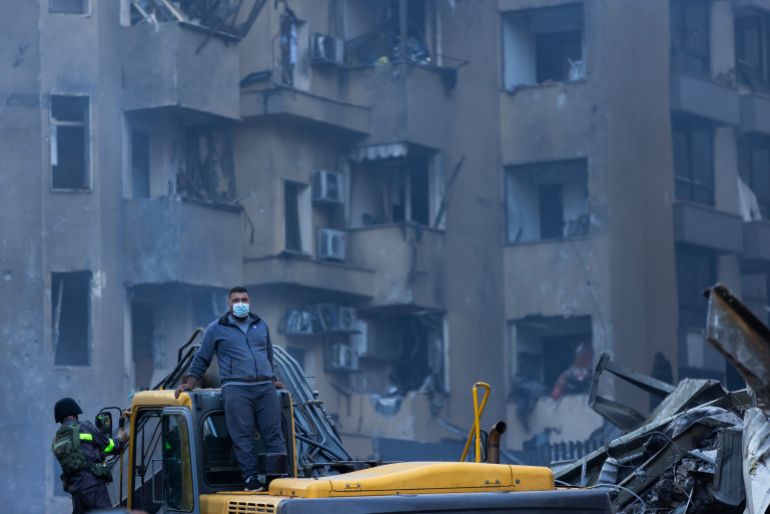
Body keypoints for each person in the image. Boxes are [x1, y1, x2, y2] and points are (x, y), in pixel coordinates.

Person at [175, 286, 288, 491]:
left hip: (264, 387)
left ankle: (278, 479)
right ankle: (251, 480)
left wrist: (272, 378)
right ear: (229, 304)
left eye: (244, 299)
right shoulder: (216, 328)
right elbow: (202, 357)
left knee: (274, 434)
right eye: (236, 300)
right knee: (242, 435)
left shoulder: (260, 325)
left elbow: (267, 354)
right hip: (236, 388)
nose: (241, 303)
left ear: (249, 302)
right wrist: (190, 382)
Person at [52, 398, 127, 514]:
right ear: (75, 413)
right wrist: (120, 439)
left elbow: (79, 457)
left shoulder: (57, 439)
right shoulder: (84, 427)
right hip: (93, 487)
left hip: (76, 492)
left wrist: (98, 454)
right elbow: (109, 446)